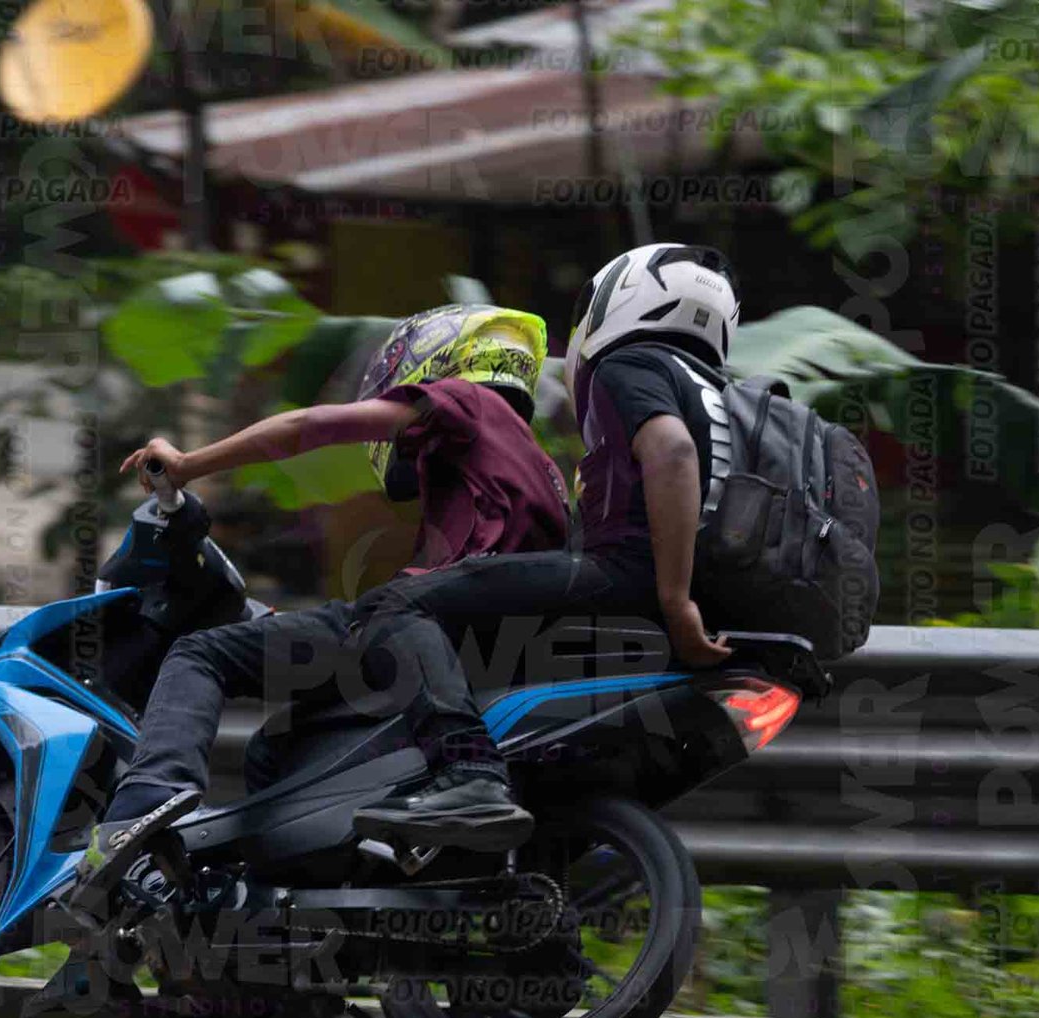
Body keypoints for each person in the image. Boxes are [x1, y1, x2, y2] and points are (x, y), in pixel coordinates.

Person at [73, 304, 570, 906]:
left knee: (198, 654)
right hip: (472, 646)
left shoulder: (465, 401)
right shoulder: (541, 465)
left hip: (416, 623)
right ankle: (281, 912)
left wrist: (188, 464)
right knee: (276, 746)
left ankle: (146, 800)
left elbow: (310, 426)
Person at [353, 243, 741, 842]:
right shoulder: (719, 392)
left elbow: (672, 453)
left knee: (398, 604)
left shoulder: (628, 365)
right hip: (701, 596)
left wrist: (675, 600)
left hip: (625, 579)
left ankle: (468, 774)